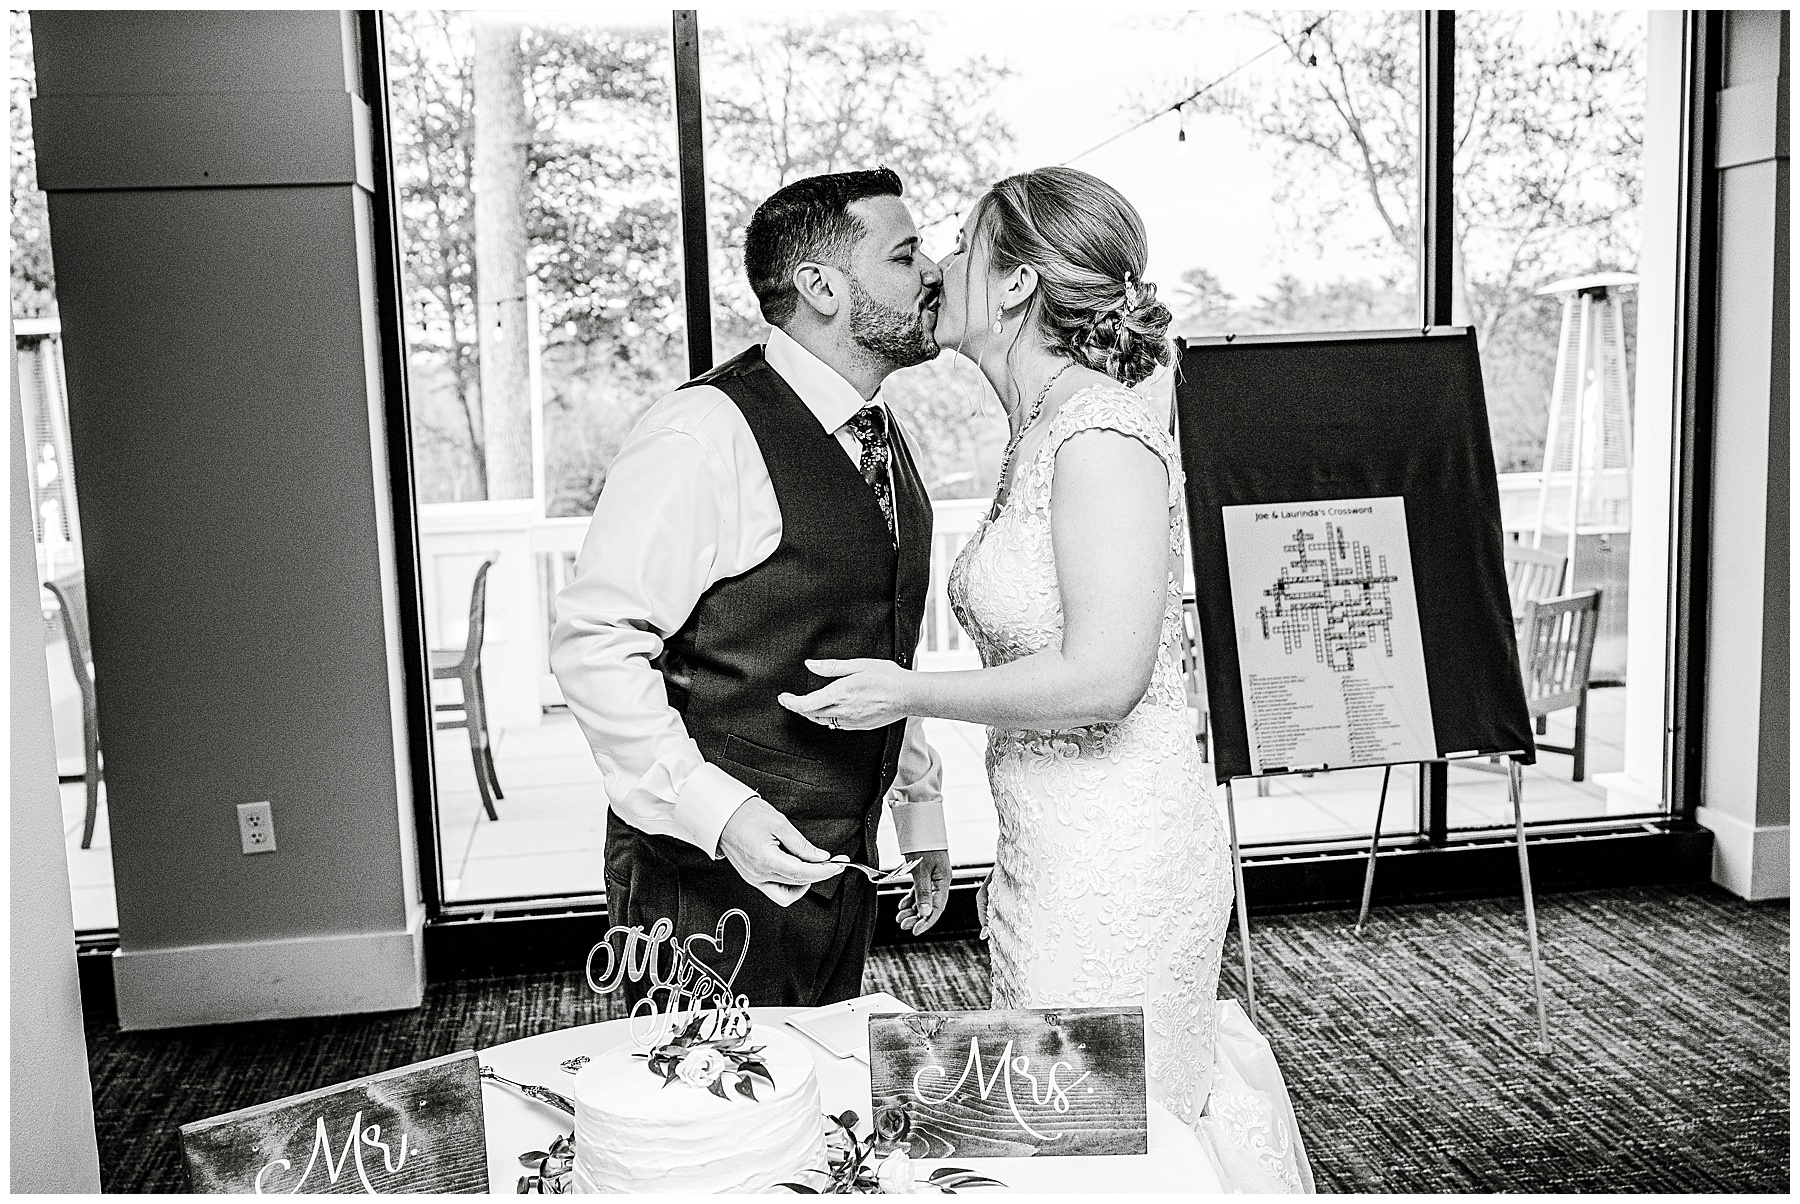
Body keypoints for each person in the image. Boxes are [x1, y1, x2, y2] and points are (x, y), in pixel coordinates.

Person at [779, 166, 1314, 1191]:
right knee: (1055, 1131)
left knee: (1101, 1143)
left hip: (1121, 859)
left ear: (1018, 284)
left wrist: (906, 690)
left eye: (962, 248)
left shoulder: (1102, 435)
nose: (936, 267)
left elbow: (1105, 679)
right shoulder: (1035, 435)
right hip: (1049, 843)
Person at [550, 168, 954, 1009]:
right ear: (821, 287)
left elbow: (875, 640)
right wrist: (718, 813)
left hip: (840, 867)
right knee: (707, 1124)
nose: (934, 274)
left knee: (821, 1112)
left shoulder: (876, 432)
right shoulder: (703, 433)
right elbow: (597, 642)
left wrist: (919, 815)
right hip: (702, 882)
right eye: (906, 255)